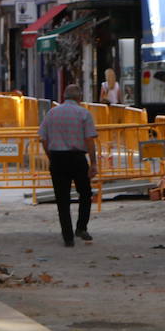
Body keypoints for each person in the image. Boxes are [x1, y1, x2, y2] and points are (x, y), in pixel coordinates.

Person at [37, 84, 98, 247]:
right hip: (78, 158)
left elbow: (42, 138)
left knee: (62, 199)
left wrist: (51, 156)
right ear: (79, 98)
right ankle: (81, 227)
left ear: (64, 96)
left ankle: (68, 237)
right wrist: (93, 163)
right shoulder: (84, 113)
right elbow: (90, 140)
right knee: (85, 193)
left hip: (57, 158)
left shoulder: (51, 113)